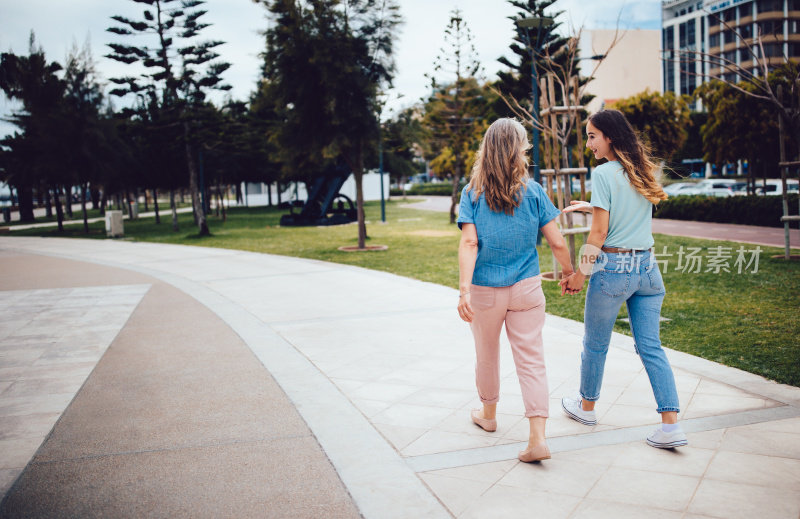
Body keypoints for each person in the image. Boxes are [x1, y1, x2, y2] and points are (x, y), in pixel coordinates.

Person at [559, 109, 687, 449]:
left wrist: (579, 275)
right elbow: (625, 211)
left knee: (595, 344)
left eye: (591, 136)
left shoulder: (604, 174)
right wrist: (593, 205)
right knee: (650, 347)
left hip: (613, 268)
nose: (588, 144)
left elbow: (599, 233)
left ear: (609, 136)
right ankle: (671, 425)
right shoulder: (643, 169)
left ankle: (586, 407)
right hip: (647, 269)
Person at [457, 118, 575, 462]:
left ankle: (489, 416)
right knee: (532, 359)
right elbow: (556, 241)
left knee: (486, 353)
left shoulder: (472, 193)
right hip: (526, 289)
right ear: (518, 149)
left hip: (485, 291)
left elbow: (469, 241)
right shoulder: (534, 191)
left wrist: (464, 290)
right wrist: (568, 273)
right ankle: (537, 437)